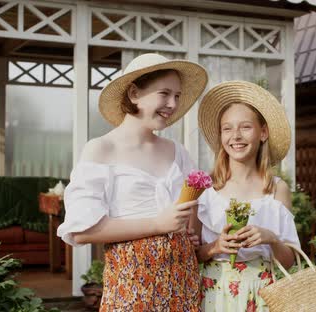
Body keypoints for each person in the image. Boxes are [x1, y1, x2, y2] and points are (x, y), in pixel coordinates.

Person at [57, 53, 208, 311]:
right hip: (132, 281)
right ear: (135, 93)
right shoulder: (101, 149)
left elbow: (192, 210)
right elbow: (82, 231)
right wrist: (158, 224)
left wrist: (190, 232)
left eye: (178, 96)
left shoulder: (178, 151)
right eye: (165, 93)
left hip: (183, 279)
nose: (172, 104)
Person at [193, 80, 300, 311]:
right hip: (215, 293)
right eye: (227, 128)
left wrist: (270, 238)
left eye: (245, 127)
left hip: (263, 294)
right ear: (221, 136)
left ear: (263, 133)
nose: (236, 136)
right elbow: (192, 256)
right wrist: (216, 246)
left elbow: (290, 262)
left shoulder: (276, 189)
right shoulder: (206, 190)